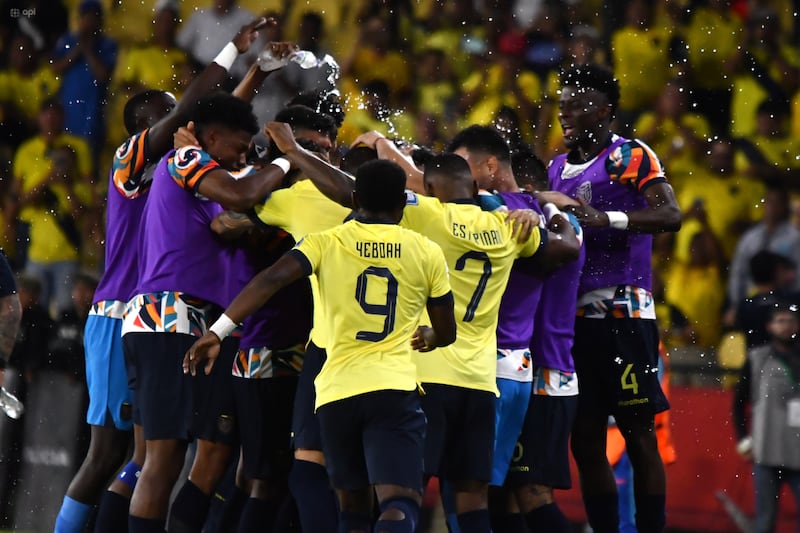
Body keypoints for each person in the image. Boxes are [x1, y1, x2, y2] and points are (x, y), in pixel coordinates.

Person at [264, 123, 580, 532]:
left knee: (401, 496)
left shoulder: (427, 215)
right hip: (483, 381)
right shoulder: (507, 228)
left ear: (430, 187)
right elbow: (568, 247)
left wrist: (292, 151)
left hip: (426, 376)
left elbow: (355, 194)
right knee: (472, 503)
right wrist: (549, 210)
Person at [54, 18, 272, 533]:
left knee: (142, 455)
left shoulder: (187, 170)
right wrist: (229, 52)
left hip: (158, 318)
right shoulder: (131, 164)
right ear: (144, 127)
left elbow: (220, 130)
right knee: (110, 454)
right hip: (122, 312)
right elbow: (197, 114)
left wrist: (256, 73)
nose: (184, 125)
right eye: (171, 116)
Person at [186, 159, 458, 533]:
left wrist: (217, 331)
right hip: (392, 390)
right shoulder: (426, 251)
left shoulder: (326, 242)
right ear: (402, 205)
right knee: (399, 502)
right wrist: (430, 337)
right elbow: (447, 330)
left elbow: (270, 280)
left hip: (334, 393)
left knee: (352, 512)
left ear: (355, 199)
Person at [120, 90, 295, 533]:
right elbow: (240, 196)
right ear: (212, 138)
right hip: (167, 317)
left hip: (189, 322)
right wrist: (291, 160)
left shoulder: (206, 169)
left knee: (192, 452)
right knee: (163, 456)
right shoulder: (185, 159)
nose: (242, 156)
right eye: (238, 147)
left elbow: (228, 212)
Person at [538, 64, 681, 533]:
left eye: (578, 104)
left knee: (639, 435)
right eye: (563, 104)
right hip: (572, 321)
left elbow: (670, 214)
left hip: (623, 311)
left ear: (605, 109)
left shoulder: (629, 156)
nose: (567, 112)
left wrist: (609, 219)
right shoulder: (557, 166)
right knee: (583, 441)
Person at [732, 303, 800, 533]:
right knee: (765, 521)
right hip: (766, 452)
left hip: (799, 452)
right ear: (770, 326)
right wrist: (742, 438)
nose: (786, 326)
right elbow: (739, 403)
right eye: (780, 321)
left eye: (791, 320)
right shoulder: (756, 359)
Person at [50, 0, 118, 152]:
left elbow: (103, 76)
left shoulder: (108, 44)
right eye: (86, 17)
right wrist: (76, 50)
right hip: (68, 111)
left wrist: (88, 50)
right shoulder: (68, 40)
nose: (90, 22)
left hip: (94, 114)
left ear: (101, 21)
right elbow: (54, 68)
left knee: (90, 159)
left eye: (94, 18)